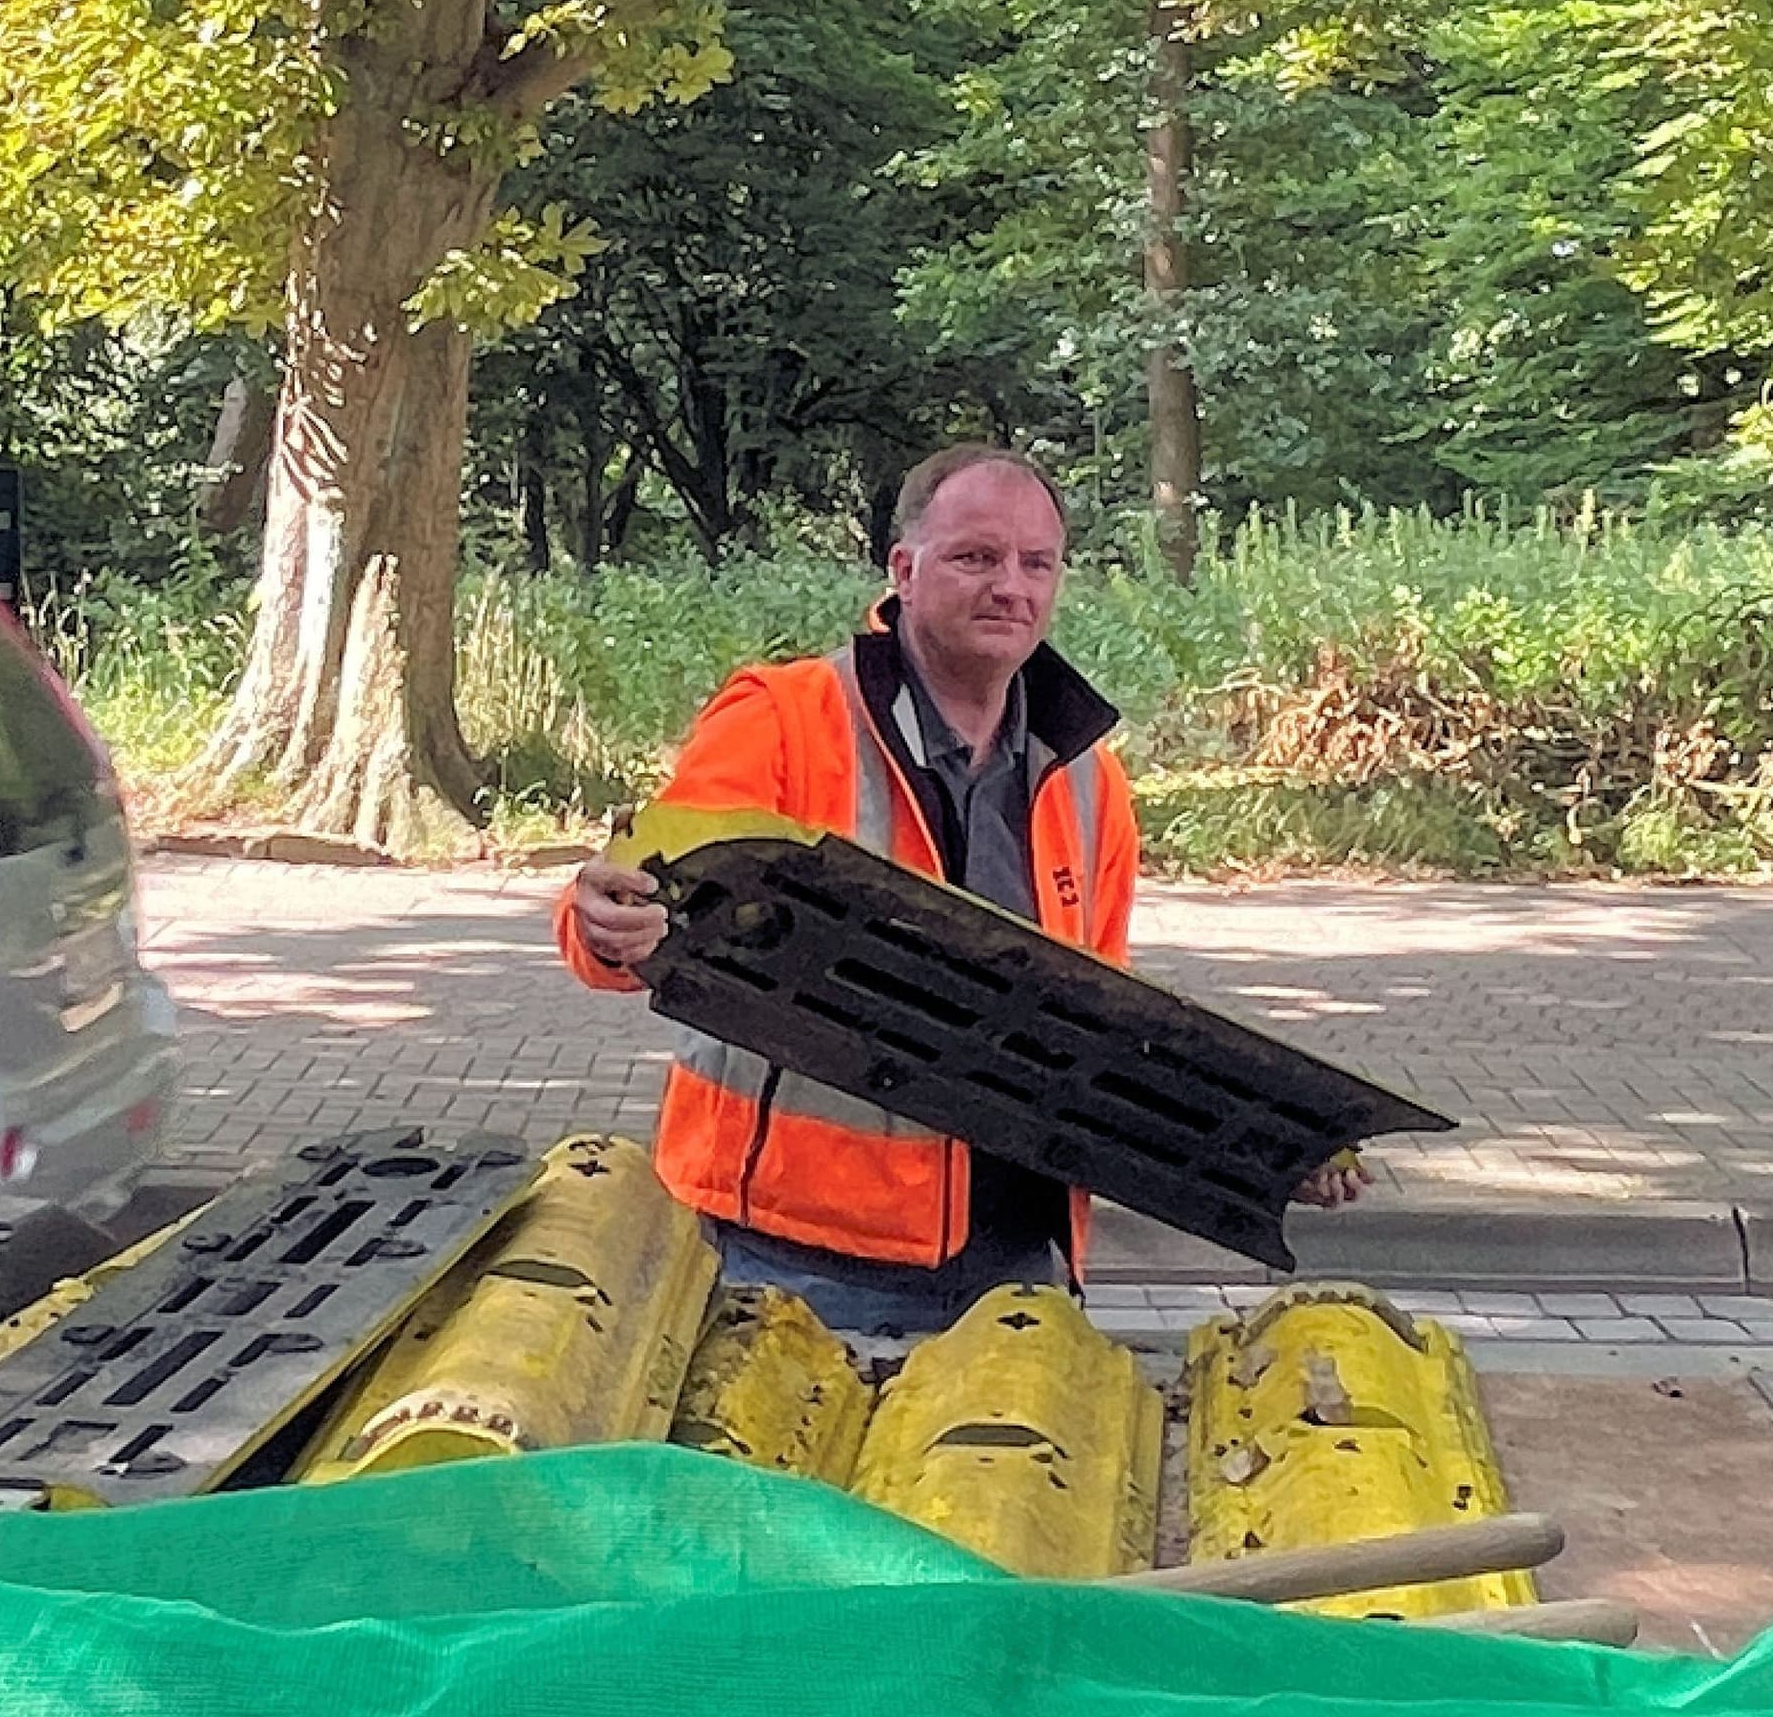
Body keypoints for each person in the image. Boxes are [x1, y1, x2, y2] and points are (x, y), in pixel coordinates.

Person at [559, 444, 1355, 1333]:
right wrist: (602, 925)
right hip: (790, 1259)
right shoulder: (784, 720)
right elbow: (630, 912)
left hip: (1019, 1264)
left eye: (1036, 563)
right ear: (904, 569)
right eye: (977, 557)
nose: (1010, 586)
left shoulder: (1089, 780)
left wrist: (1262, 1154)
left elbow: (1105, 1029)